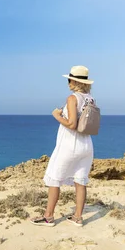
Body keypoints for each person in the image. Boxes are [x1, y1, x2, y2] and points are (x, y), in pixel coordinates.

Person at [31, 65, 95, 227]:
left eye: (69, 80)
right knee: (80, 182)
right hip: (86, 145)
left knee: (55, 180)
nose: (68, 83)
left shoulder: (72, 98)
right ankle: (78, 218)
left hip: (70, 145)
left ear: (74, 81)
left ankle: (48, 217)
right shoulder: (90, 98)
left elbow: (72, 124)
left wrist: (56, 116)